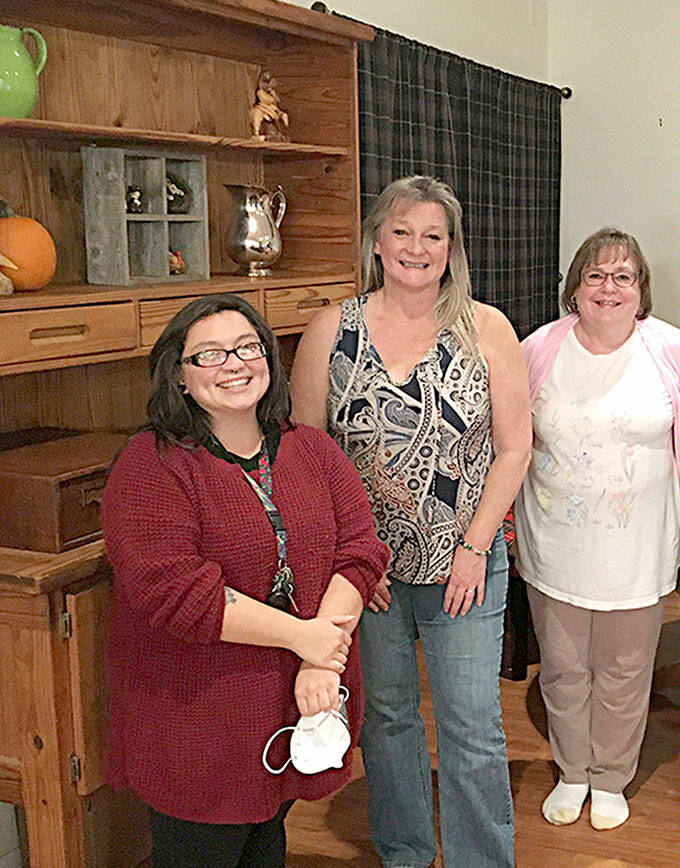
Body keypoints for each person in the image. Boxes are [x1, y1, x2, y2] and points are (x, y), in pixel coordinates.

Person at [290, 176, 531, 868]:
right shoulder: (331, 329)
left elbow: (515, 446)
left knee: (471, 725)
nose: (415, 248)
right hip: (365, 577)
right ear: (376, 241)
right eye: (401, 231)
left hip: (466, 564)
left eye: (433, 235)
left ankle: (481, 859)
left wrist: (474, 546)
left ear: (451, 250)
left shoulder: (487, 327)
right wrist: (350, 559)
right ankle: (404, 853)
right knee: (387, 719)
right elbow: (307, 456)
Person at [102, 294, 388, 868]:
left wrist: (318, 659)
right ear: (179, 377)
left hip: (289, 709)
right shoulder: (149, 466)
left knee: (266, 843)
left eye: (247, 347)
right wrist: (303, 638)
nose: (234, 363)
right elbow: (182, 595)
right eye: (208, 355)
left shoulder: (310, 448)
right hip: (197, 724)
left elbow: (359, 553)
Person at [514, 227, 680, 831]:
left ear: (641, 289)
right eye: (595, 275)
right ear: (575, 287)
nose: (609, 288)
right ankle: (572, 771)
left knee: (624, 669)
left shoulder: (670, 349)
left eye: (623, 276)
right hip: (556, 545)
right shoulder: (539, 348)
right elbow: (510, 436)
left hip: (639, 548)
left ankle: (611, 776)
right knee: (565, 668)